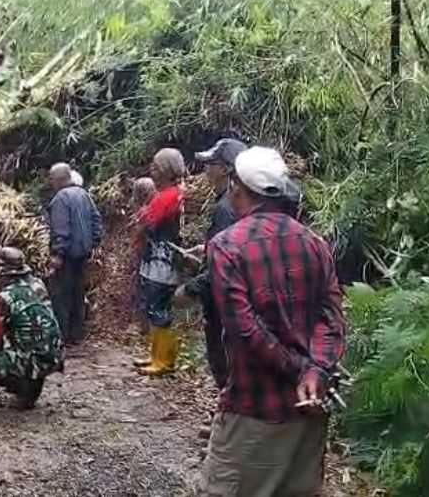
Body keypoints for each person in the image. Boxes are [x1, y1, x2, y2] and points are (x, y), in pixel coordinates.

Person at [200, 147, 346, 497]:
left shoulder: (226, 247)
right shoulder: (314, 243)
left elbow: (246, 329)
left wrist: (300, 369)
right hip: (307, 413)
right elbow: (332, 317)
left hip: (253, 408)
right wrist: (315, 372)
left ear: (238, 188)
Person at [177, 138, 248, 389]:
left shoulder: (226, 208)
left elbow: (227, 264)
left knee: (224, 361)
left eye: (211, 163)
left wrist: (191, 289)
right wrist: (206, 249)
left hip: (223, 303)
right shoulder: (232, 204)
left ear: (226, 170)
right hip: (232, 301)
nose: (206, 168)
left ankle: (226, 418)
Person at [0, 247, 63, 410]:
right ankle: (31, 384)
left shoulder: (4, 298)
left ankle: (22, 388)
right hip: (55, 354)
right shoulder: (38, 284)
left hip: (33, 359)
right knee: (29, 347)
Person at [133, 148, 186, 376]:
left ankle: (164, 361)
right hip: (154, 259)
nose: (152, 170)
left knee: (159, 307)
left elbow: (146, 222)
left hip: (162, 260)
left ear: (167, 169)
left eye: (156, 166)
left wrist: (141, 224)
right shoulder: (163, 194)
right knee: (153, 307)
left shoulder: (169, 196)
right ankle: (156, 355)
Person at [45, 162, 102, 352]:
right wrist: (93, 243)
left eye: (51, 179)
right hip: (82, 254)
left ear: (58, 179)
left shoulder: (61, 198)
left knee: (61, 295)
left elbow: (61, 229)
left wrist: (57, 254)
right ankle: (77, 335)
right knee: (78, 294)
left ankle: (62, 335)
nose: (50, 182)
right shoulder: (84, 195)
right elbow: (96, 220)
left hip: (67, 255)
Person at [128, 177, 157, 336]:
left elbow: (139, 232)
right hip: (148, 253)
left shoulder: (146, 211)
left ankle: (145, 326)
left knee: (143, 288)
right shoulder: (153, 207)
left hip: (145, 254)